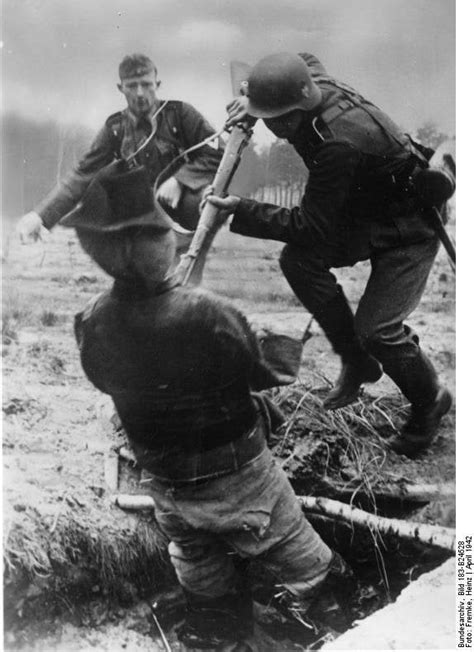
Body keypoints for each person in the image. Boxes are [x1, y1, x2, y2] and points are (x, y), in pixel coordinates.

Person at [67, 169, 354, 649]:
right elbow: (262, 371)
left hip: (167, 486)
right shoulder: (205, 311)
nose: (175, 243)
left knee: (197, 563)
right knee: (312, 568)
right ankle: (331, 622)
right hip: (241, 480)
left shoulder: (92, 320)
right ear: (146, 246)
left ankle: (213, 632)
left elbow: (104, 380)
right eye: (165, 234)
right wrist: (282, 350)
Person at [207, 52, 454, 458]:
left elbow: (311, 226)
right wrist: (252, 94)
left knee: (378, 331)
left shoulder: (336, 145)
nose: (269, 127)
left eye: (271, 118)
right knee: (298, 261)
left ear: (291, 115)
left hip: (410, 226)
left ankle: (431, 400)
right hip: (371, 211)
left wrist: (243, 209)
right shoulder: (312, 81)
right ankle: (357, 362)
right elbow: (303, 58)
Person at [16, 53, 223, 263]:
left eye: (146, 84)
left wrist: (180, 180)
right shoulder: (115, 128)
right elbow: (82, 175)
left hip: (181, 208)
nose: (140, 93)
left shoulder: (180, 114)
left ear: (157, 84)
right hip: (141, 216)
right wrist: (39, 216)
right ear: (120, 88)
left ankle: (191, 260)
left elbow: (218, 153)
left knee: (207, 202)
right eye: (132, 86)